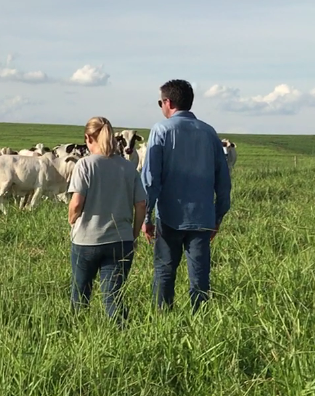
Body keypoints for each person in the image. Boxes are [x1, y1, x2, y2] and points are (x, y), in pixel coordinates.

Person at [142, 79, 232, 312]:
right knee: (200, 276)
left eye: (160, 102)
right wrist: (218, 216)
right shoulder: (209, 132)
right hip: (202, 217)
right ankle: (199, 323)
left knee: (164, 272)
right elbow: (223, 179)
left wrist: (146, 216)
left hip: (170, 215)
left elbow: (151, 179)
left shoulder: (161, 129)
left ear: (168, 102)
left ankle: (162, 321)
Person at [67, 116, 147, 325]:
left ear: (87, 138)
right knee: (114, 297)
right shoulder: (129, 167)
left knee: (80, 296)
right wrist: (134, 233)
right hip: (120, 240)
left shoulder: (85, 165)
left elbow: (76, 203)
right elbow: (141, 205)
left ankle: (77, 335)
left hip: (86, 240)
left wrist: (72, 220)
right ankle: (123, 338)